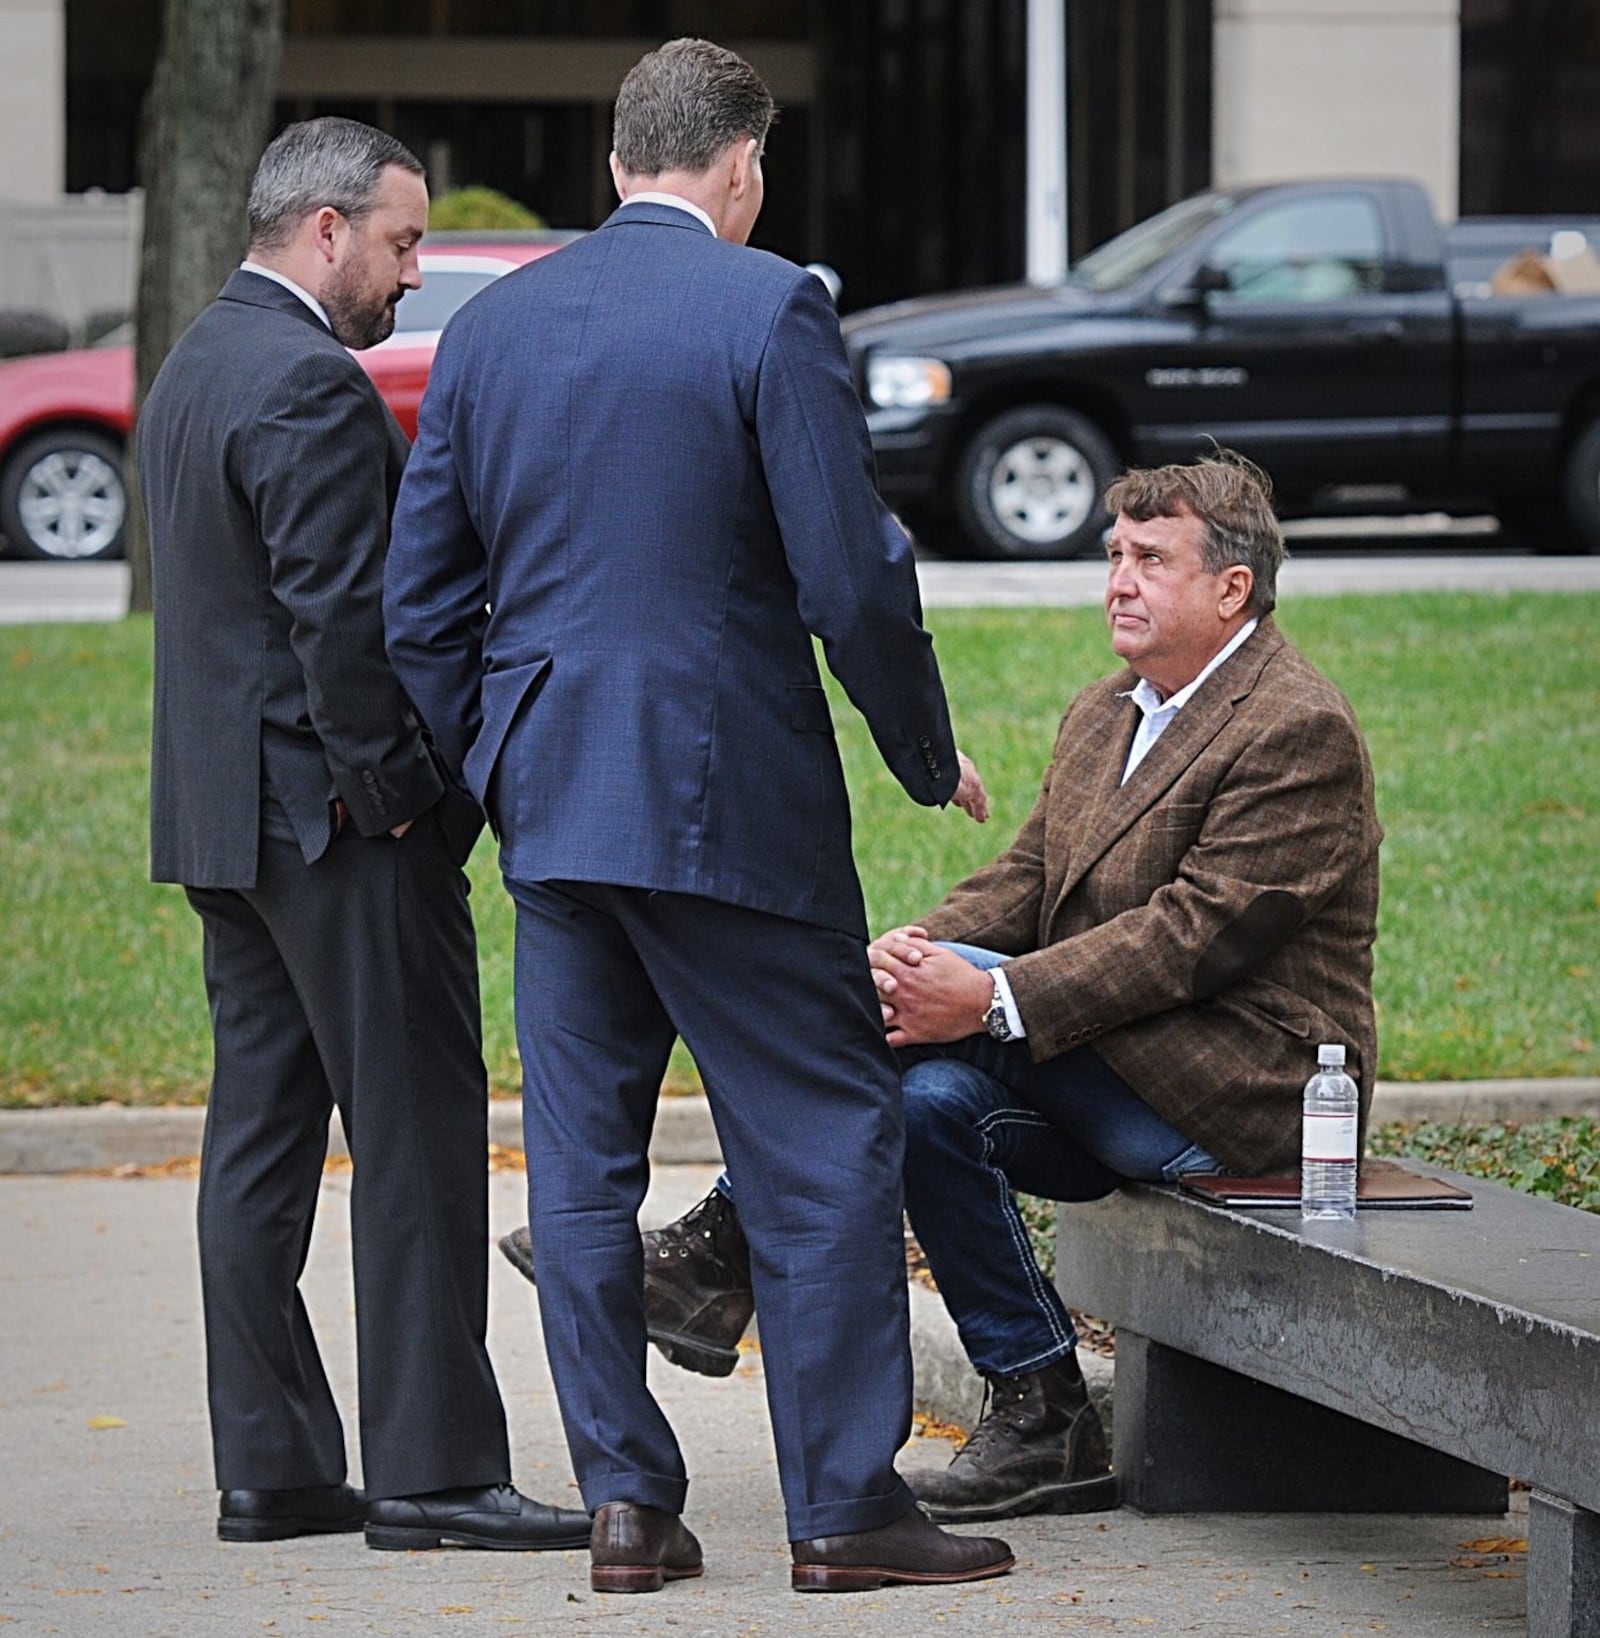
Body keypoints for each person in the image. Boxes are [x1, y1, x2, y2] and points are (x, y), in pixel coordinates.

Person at [383, 38, 1013, 1596]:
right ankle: (844, 1506)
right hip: (727, 804)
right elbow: (851, 572)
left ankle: (625, 1505)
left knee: (581, 1170)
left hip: (555, 810)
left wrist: (505, 756)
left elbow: (422, 606)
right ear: (741, 166)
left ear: (614, 167)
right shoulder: (771, 301)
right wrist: (924, 752)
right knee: (823, 1139)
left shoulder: (496, 322)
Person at [503, 450, 1383, 1526]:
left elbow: (1192, 937)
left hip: (1241, 1090)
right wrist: (897, 958)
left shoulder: (1294, 726)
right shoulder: (1109, 709)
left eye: (1151, 559)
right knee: (922, 1106)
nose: (1117, 579)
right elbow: (1025, 883)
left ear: (1230, 587)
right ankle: (1043, 1408)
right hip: (1112, 1067)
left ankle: (711, 1255)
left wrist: (985, 999)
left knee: (953, 999)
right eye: (1113, 555)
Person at [140, 116, 589, 1553]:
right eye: (401, 243)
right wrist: (404, 796)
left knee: (259, 1148)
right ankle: (434, 1471)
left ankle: (271, 1465)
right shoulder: (310, 385)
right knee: (415, 1140)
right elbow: (346, 624)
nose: (411, 276)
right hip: (336, 827)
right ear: (325, 230)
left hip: (224, 823)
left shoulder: (197, 359)